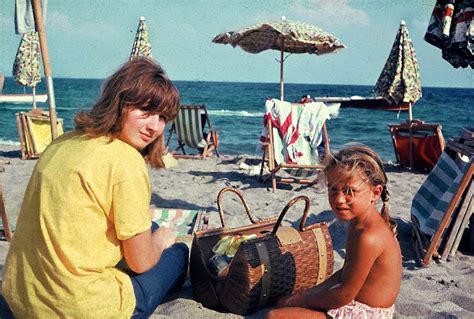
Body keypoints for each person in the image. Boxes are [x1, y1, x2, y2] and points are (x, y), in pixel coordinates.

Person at [1, 58, 188, 318]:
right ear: (120, 103)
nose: (154, 127)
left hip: (21, 299)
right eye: (145, 111)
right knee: (178, 253)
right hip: (81, 307)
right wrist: (160, 242)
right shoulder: (125, 161)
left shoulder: (62, 142)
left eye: (162, 117)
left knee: (149, 231)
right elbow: (141, 261)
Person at [267, 145, 402, 319]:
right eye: (333, 189)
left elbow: (343, 295)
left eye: (350, 191)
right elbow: (345, 273)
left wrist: (302, 300)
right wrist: (306, 295)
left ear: (375, 193)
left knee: (274, 316)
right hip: (356, 305)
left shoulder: (369, 237)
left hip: (365, 313)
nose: (339, 199)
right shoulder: (359, 223)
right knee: (286, 303)